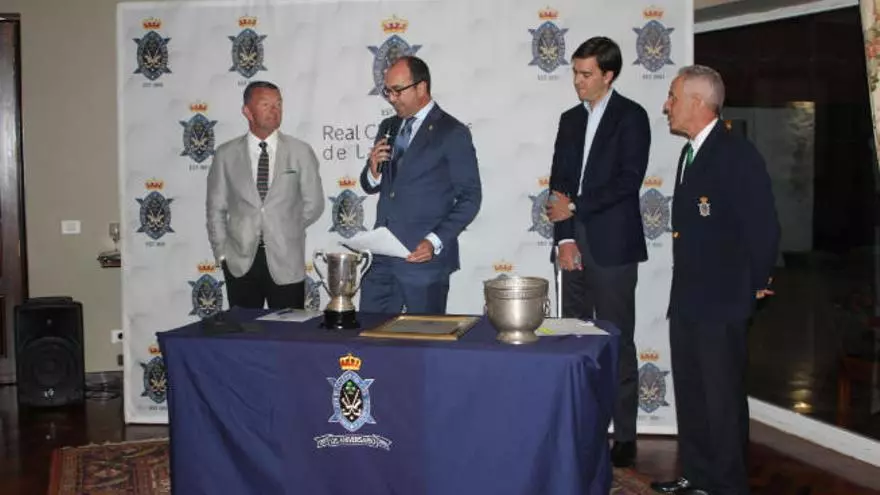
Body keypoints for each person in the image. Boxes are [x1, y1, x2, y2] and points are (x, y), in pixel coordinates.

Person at [650, 65, 779, 495]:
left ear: (697, 102)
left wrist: (756, 279)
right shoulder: (691, 153)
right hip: (689, 297)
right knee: (692, 393)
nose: (666, 105)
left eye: (672, 96)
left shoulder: (735, 154)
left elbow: (762, 224)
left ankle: (726, 485)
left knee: (721, 399)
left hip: (722, 300)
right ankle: (698, 475)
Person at [544, 36, 650, 468]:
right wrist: (564, 238)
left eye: (586, 74)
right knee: (574, 338)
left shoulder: (631, 116)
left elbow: (628, 181)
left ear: (608, 75)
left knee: (615, 339)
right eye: (575, 72)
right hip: (574, 244)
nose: (578, 81)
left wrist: (576, 207)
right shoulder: (570, 120)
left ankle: (624, 434)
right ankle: (582, 425)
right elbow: (558, 183)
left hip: (613, 246)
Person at [359, 56, 482, 314]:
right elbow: (372, 185)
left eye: (397, 90)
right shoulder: (388, 126)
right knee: (371, 334)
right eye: (387, 91)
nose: (392, 99)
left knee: (424, 336)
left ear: (421, 87)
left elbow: (470, 198)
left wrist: (434, 241)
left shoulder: (452, 132)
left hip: (424, 261)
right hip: (381, 261)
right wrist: (373, 170)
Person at [206, 81, 325, 310]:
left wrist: (285, 225)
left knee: (289, 330)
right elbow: (215, 208)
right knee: (244, 330)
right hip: (239, 263)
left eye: (278, 104)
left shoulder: (300, 151)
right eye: (265, 104)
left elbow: (314, 204)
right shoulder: (226, 154)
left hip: (286, 260)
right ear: (247, 111)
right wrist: (222, 255)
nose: (274, 110)